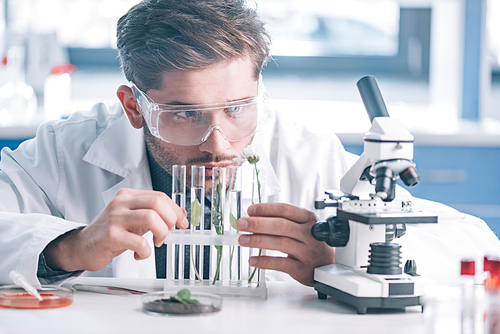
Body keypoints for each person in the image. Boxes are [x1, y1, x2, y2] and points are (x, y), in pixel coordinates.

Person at [0, 0, 498, 288]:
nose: (218, 142)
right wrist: (68, 247)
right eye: (185, 114)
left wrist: (346, 259)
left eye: (237, 108)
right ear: (133, 107)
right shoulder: (68, 148)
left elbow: (474, 243)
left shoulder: (302, 151)